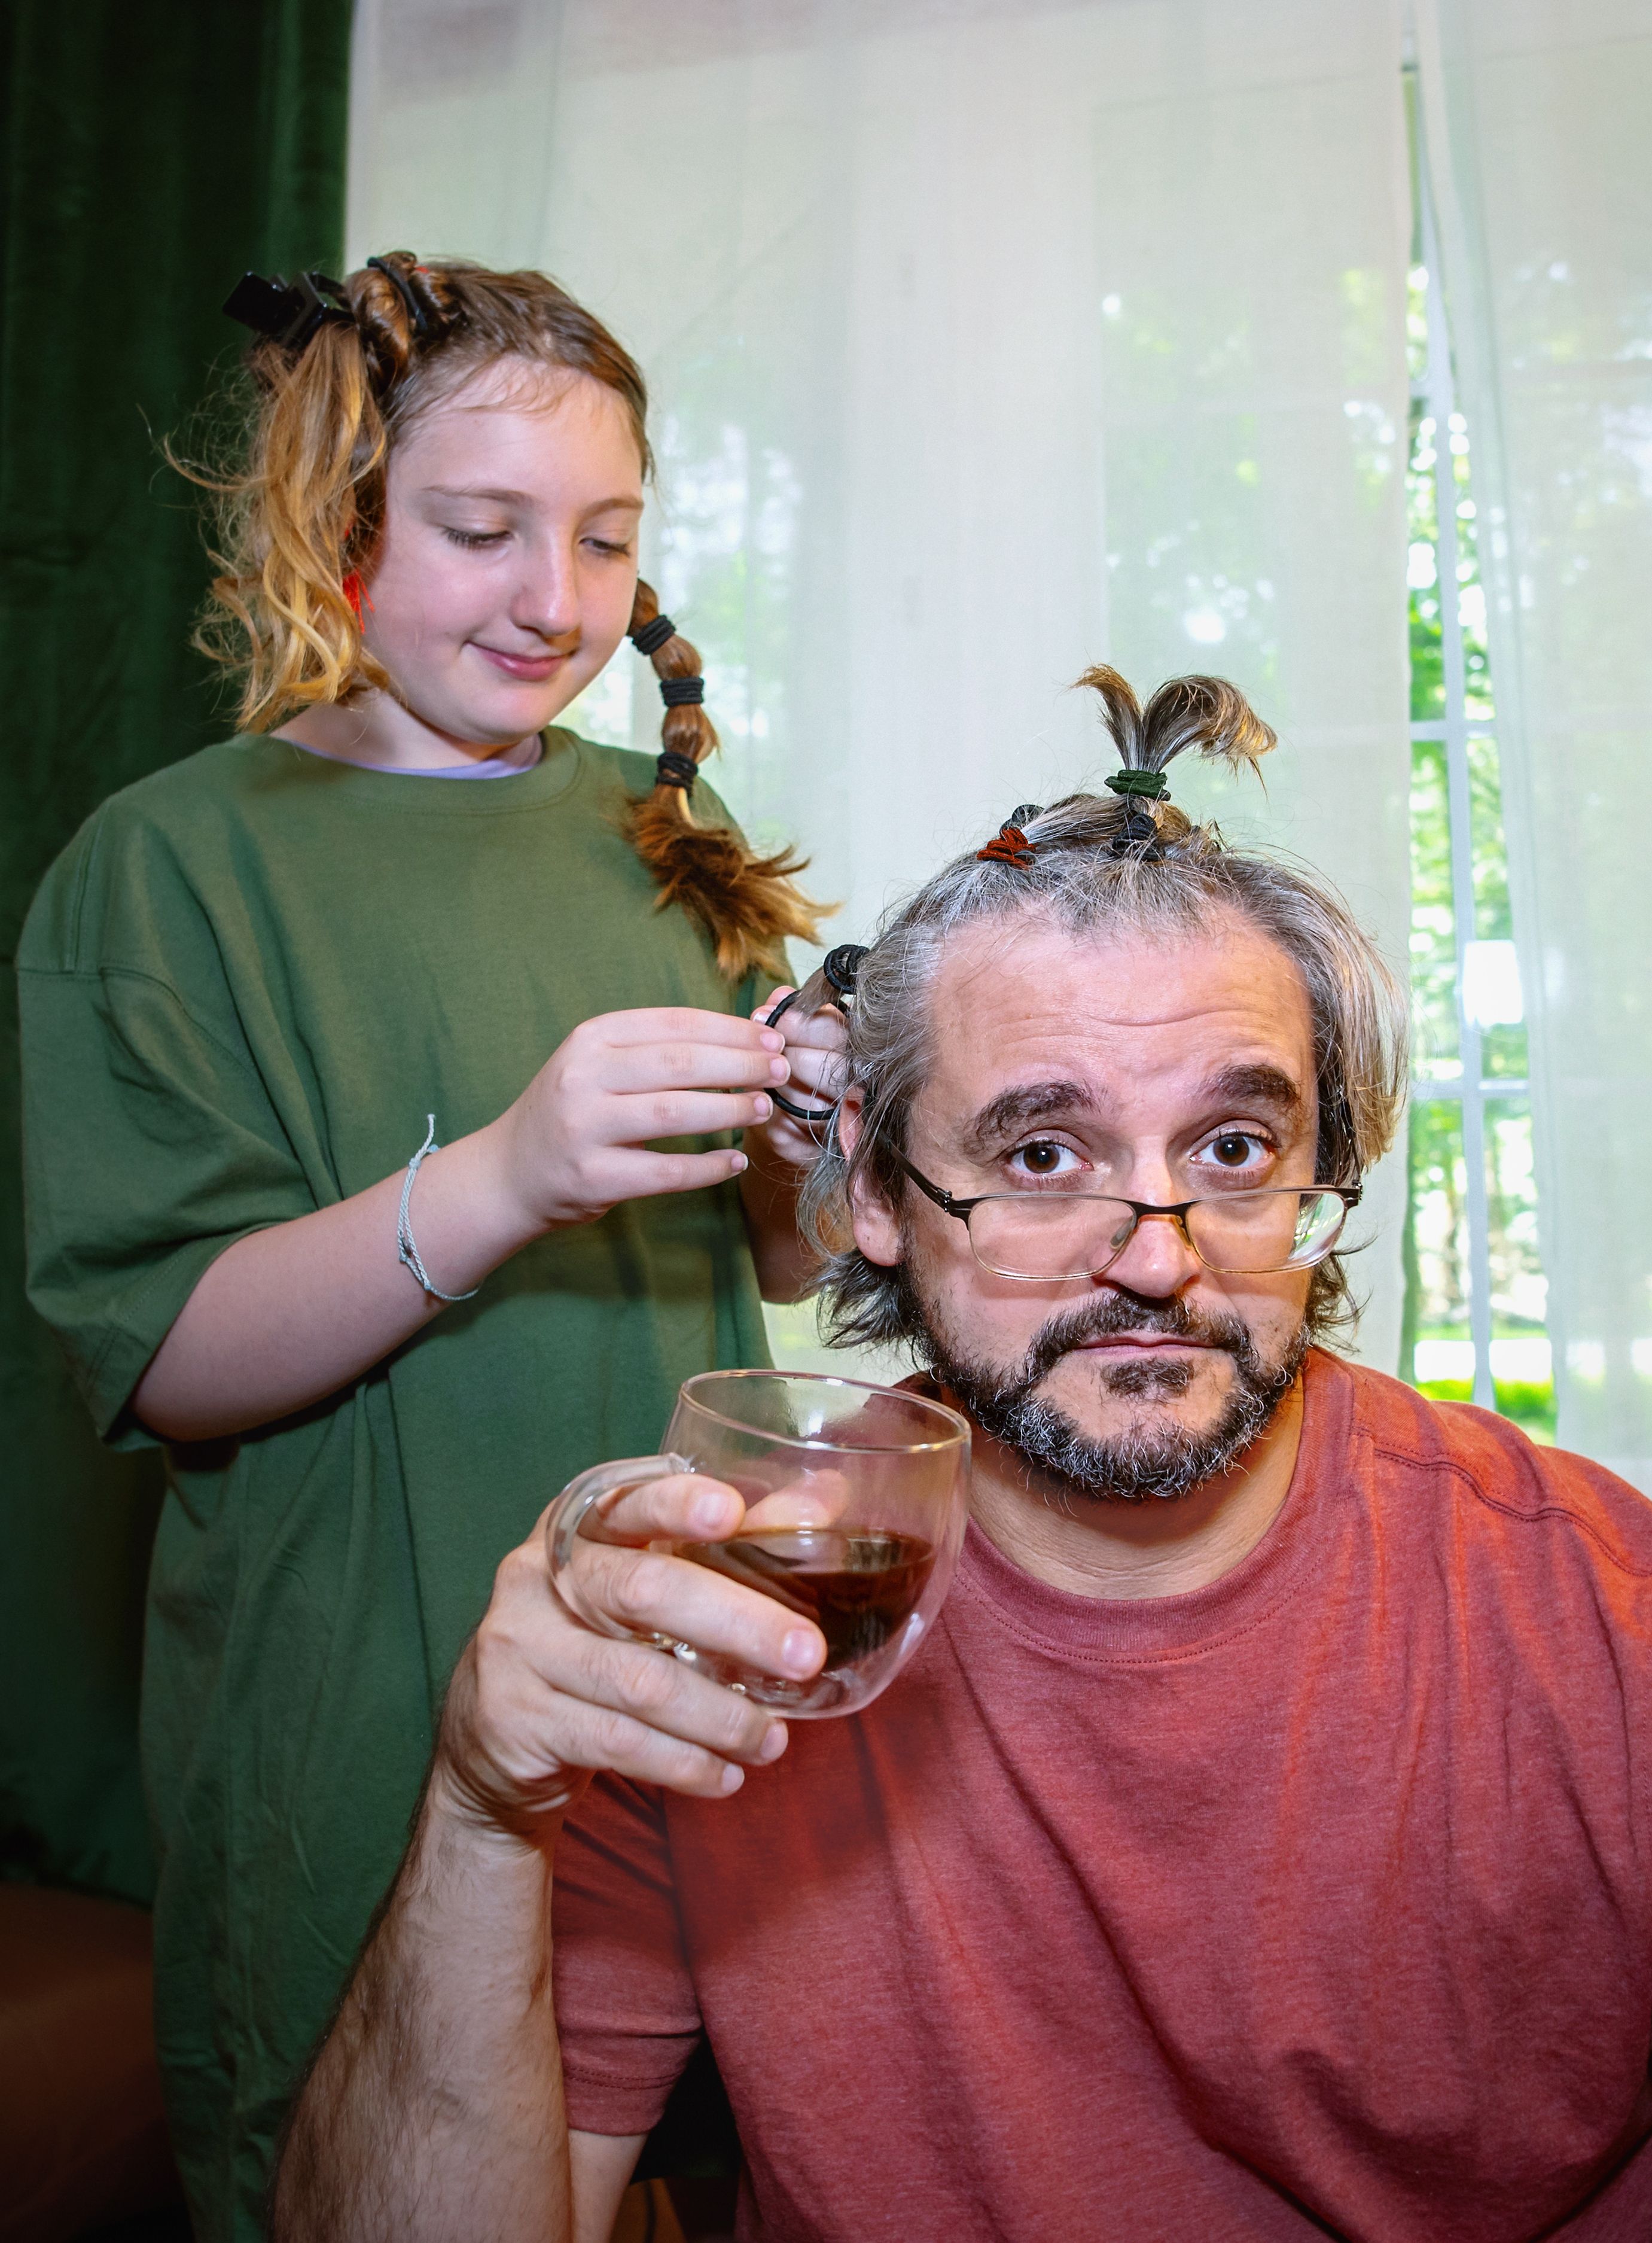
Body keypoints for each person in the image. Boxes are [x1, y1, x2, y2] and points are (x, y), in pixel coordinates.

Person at [272, 664, 1652, 2243]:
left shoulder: (1600, 1619)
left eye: (1230, 1148)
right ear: (869, 1191)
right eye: (1042, 1152)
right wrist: (477, 1805)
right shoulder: (718, 1629)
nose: (1157, 1255)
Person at [18, 252, 840, 2242]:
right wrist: (506, 1173)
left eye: (606, 539)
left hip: (677, 1706)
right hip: (359, 1727)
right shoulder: (174, 863)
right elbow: (164, 1352)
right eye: (481, 531)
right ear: (338, 527)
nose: (554, 599)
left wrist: (816, 1143)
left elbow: (785, 1271)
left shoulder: (663, 826)